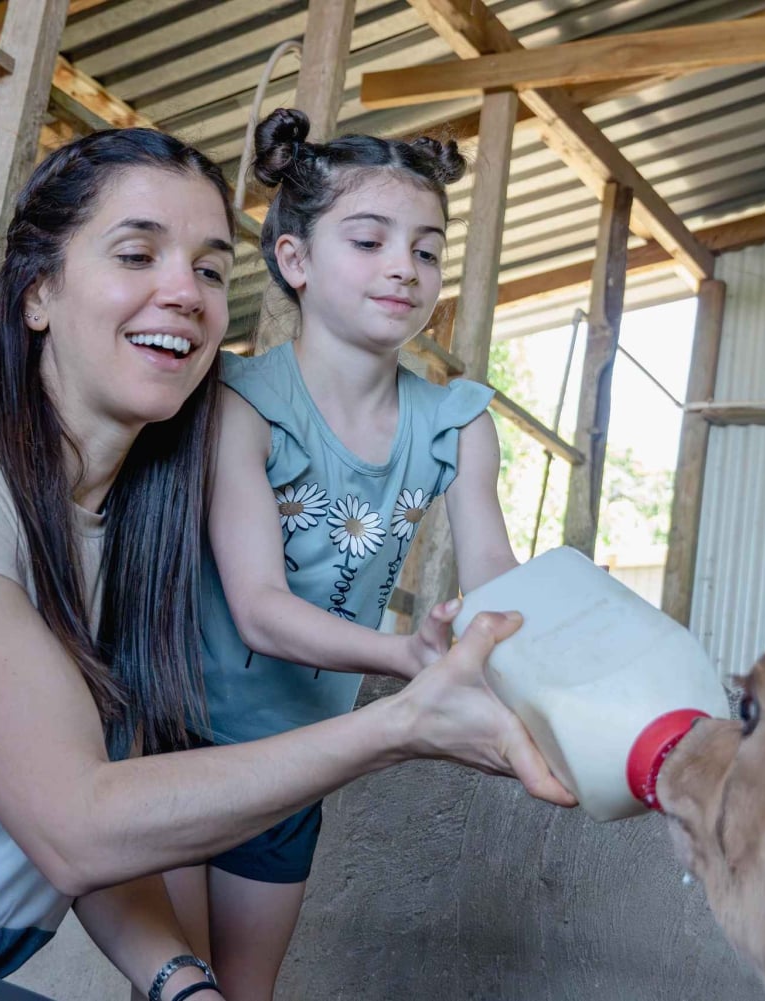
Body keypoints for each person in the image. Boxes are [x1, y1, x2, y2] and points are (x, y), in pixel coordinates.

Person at [0, 128, 571, 1001]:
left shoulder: (146, 529)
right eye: (138, 254)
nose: (183, 292)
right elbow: (77, 824)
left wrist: (180, 982)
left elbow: (113, 814)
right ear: (37, 292)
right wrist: (400, 722)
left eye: (211, 270)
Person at [176, 108, 527, 1000]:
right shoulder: (240, 402)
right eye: (369, 241)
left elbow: (494, 569)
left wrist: (524, 651)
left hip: (301, 756)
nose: (403, 268)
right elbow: (257, 605)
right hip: (175, 740)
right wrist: (409, 656)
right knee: (176, 991)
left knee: (246, 991)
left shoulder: (458, 420)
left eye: (426, 249)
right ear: (295, 259)